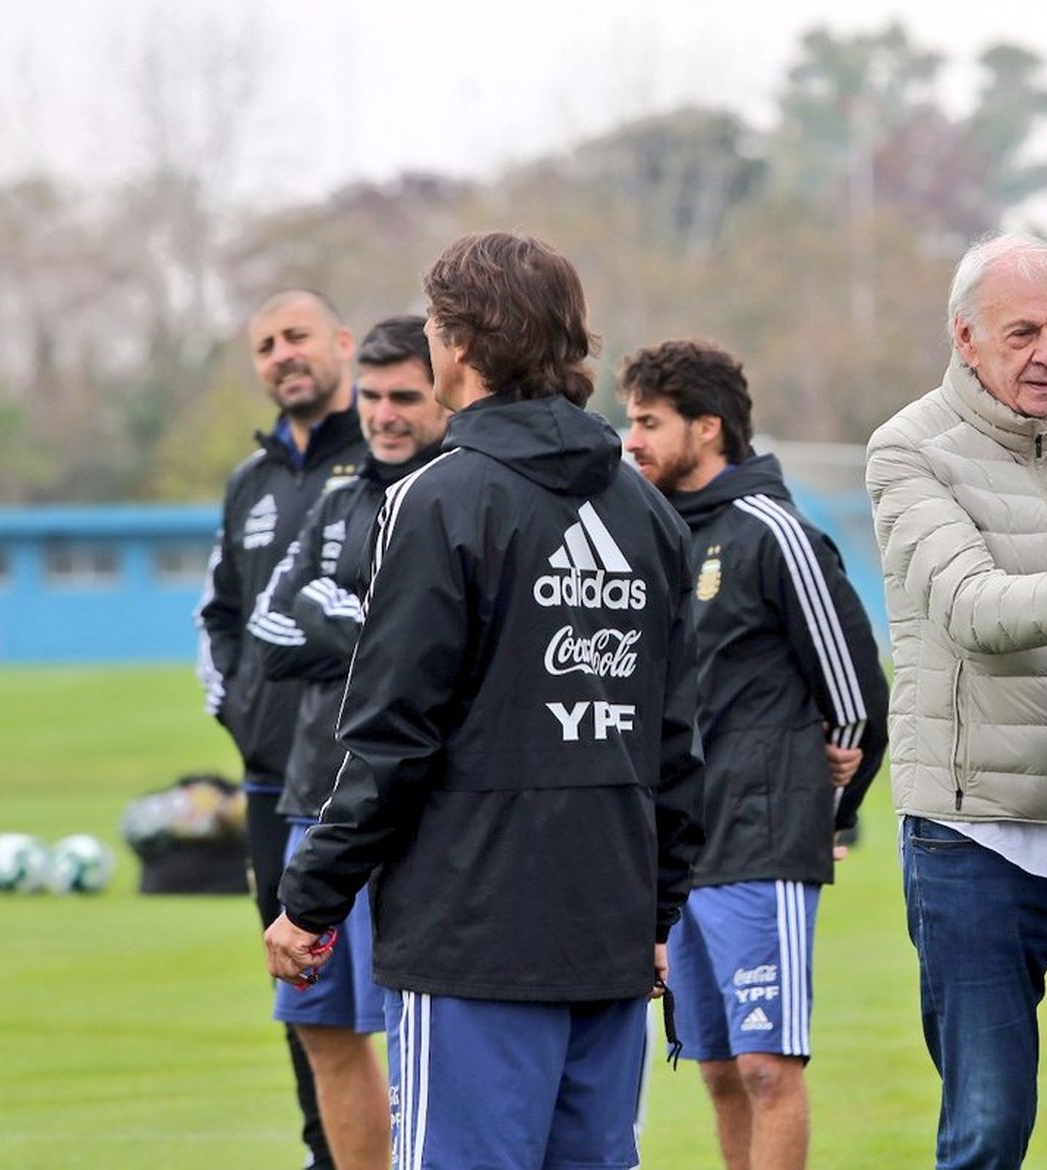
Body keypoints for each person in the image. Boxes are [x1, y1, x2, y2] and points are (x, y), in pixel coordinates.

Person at [264, 231, 705, 1170]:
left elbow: (392, 735)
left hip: (473, 937)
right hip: (608, 932)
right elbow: (677, 748)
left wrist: (310, 899)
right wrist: (656, 916)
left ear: (459, 346)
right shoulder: (648, 514)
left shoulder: (437, 500)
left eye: (432, 326)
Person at [865, 233, 1047, 1170]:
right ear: (966, 338)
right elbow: (968, 608)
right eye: (1023, 331)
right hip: (974, 841)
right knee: (989, 1129)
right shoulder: (904, 450)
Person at [621, 340, 889, 1170]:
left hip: (761, 841)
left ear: (708, 428)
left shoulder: (775, 531)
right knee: (715, 1070)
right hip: (678, 851)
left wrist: (833, 789)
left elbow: (855, 692)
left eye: (648, 422)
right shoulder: (651, 534)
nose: (631, 439)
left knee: (768, 1068)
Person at [248, 315, 452, 1170]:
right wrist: (371, 634)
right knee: (323, 1029)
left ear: (445, 393)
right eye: (371, 396)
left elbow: (434, 651)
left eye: (406, 396)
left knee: (411, 1029)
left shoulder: (456, 498)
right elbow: (267, 627)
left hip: (406, 813)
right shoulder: (339, 496)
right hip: (309, 796)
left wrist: (335, 617)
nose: (384, 414)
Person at [196, 288, 366, 1170]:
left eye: (296, 335)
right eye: (264, 345)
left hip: (374, 775)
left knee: (400, 990)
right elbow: (217, 617)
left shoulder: (387, 457)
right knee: (304, 989)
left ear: (341, 341)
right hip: (274, 780)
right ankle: (323, 1153)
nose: (282, 355)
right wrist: (242, 718)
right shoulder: (250, 481)